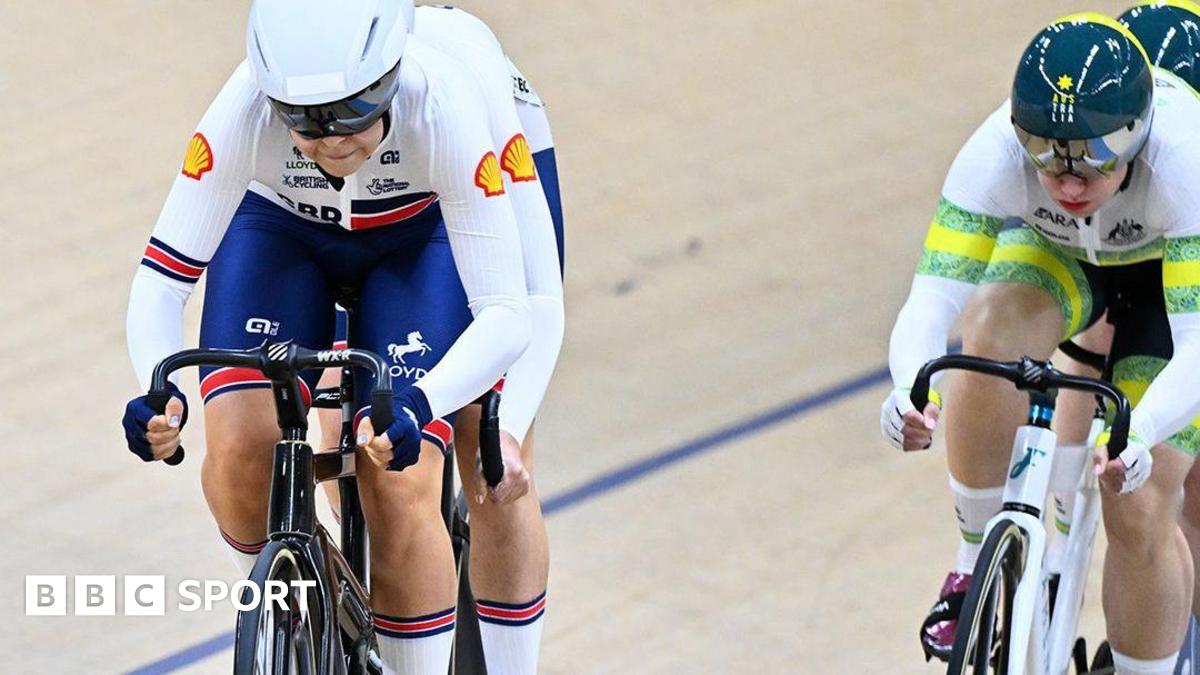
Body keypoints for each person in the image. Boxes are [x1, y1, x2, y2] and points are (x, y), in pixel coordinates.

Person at [120, 1, 555, 672]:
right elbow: (161, 278)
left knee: (449, 466)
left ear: (390, 76)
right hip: (284, 227)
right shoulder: (243, 109)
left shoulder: (453, 101)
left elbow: (521, 304)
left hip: (428, 233)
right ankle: (294, 605)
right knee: (239, 451)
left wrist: (431, 403)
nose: (331, 139)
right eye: (305, 119)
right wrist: (159, 388)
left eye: (354, 109)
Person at [880, 13, 1200, 673]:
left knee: (1141, 500)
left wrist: (1139, 437)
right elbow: (931, 300)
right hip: (1065, 256)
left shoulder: (1185, 162)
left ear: (1137, 136)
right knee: (991, 326)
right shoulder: (994, 151)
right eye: (1046, 153)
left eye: (1090, 157)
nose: (1067, 180)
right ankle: (972, 567)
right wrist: (910, 388)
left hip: (1170, 277)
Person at [314, 6, 564, 673]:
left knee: (492, 458)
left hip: (476, 202)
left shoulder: (466, 73)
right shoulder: (300, 75)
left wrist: (507, 426)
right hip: (358, 220)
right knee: (355, 432)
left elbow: (536, 299)